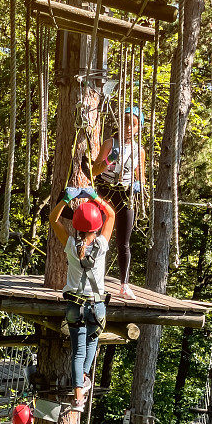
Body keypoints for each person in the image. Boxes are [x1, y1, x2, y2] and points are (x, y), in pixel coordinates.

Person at [50, 188, 116, 412]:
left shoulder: (70, 245)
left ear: (76, 227)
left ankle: (78, 398)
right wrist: (94, 197)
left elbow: (53, 219)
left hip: (75, 305)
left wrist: (66, 200)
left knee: (78, 352)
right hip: (97, 306)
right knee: (91, 344)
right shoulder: (102, 246)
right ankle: (83, 381)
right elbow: (112, 214)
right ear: (97, 227)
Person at [93, 105, 146, 300]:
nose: (129, 128)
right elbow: (95, 171)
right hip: (106, 191)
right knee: (98, 236)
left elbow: (140, 175)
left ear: (138, 127)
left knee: (123, 242)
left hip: (125, 195)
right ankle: (95, 277)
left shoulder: (139, 150)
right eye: (126, 123)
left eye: (133, 124)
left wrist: (139, 185)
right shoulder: (110, 143)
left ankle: (124, 284)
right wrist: (108, 161)